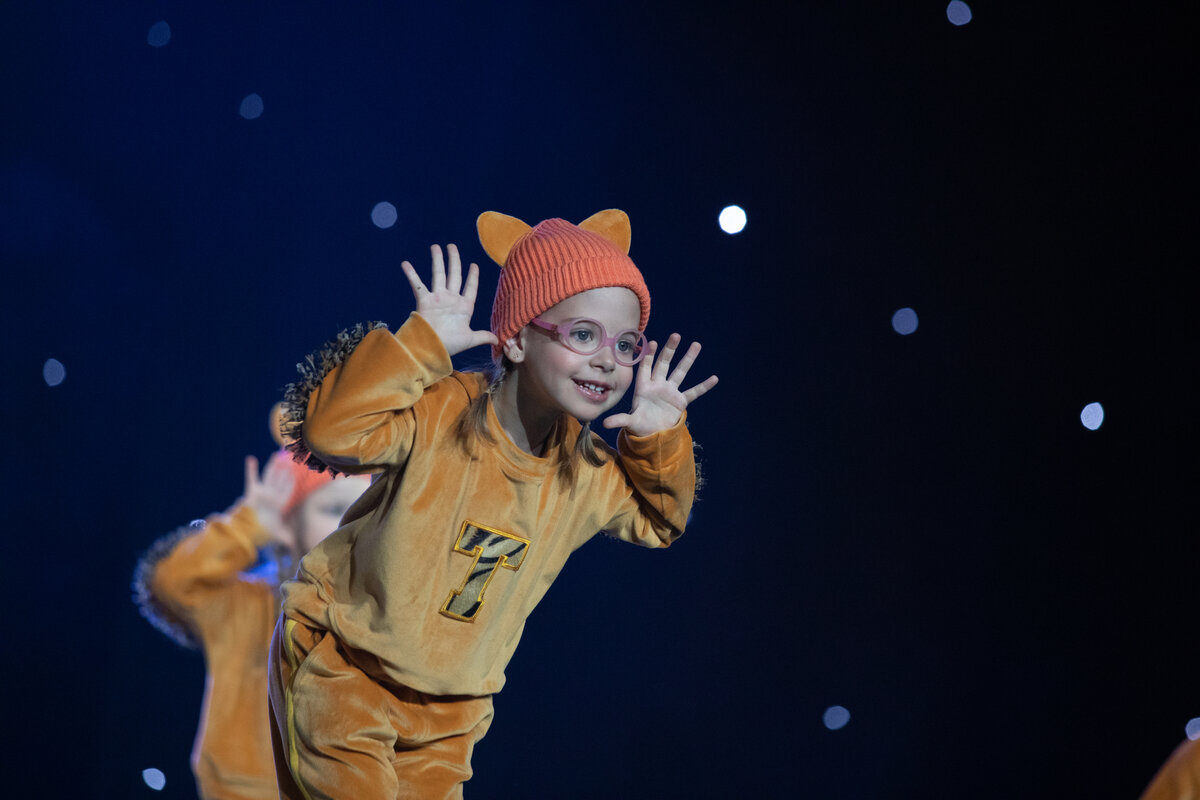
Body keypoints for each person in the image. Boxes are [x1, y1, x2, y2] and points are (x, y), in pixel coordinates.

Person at [268, 209, 718, 799]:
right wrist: (421, 345)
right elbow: (331, 433)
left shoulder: (587, 472)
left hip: (451, 711)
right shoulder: (441, 413)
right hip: (345, 667)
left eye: (626, 344)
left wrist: (658, 438)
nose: (608, 360)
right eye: (584, 335)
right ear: (517, 338)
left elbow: (661, 521)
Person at [133, 412, 370, 800]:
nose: (348, 527)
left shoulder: (376, 612)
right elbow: (171, 585)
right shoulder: (245, 605)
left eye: (361, 513)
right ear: (287, 525)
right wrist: (247, 526)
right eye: (332, 510)